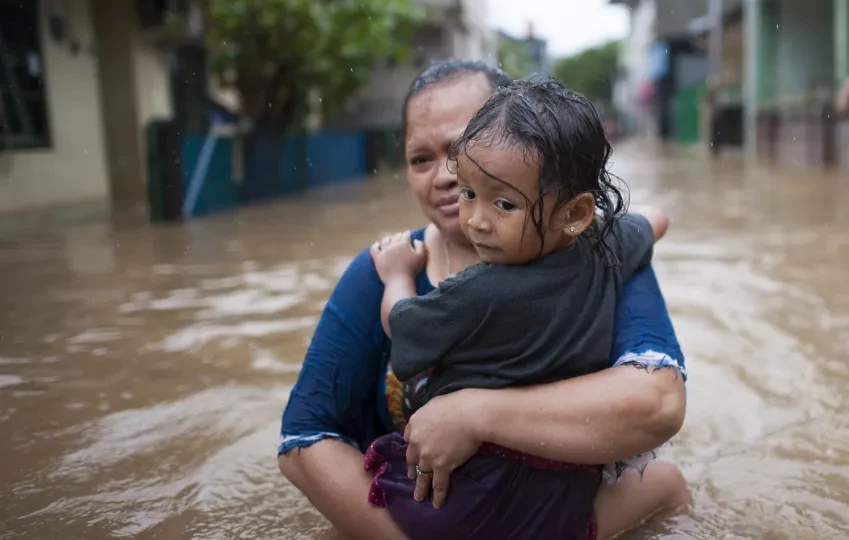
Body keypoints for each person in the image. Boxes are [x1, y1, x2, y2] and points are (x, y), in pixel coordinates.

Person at [277, 60, 690, 540]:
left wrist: (475, 414)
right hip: (467, 522)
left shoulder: (598, 254)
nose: (444, 177)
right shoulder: (376, 271)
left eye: (458, 150)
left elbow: (656, 403)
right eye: (420, 160)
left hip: (539, 512)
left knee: (667, 484)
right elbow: (302, 440)